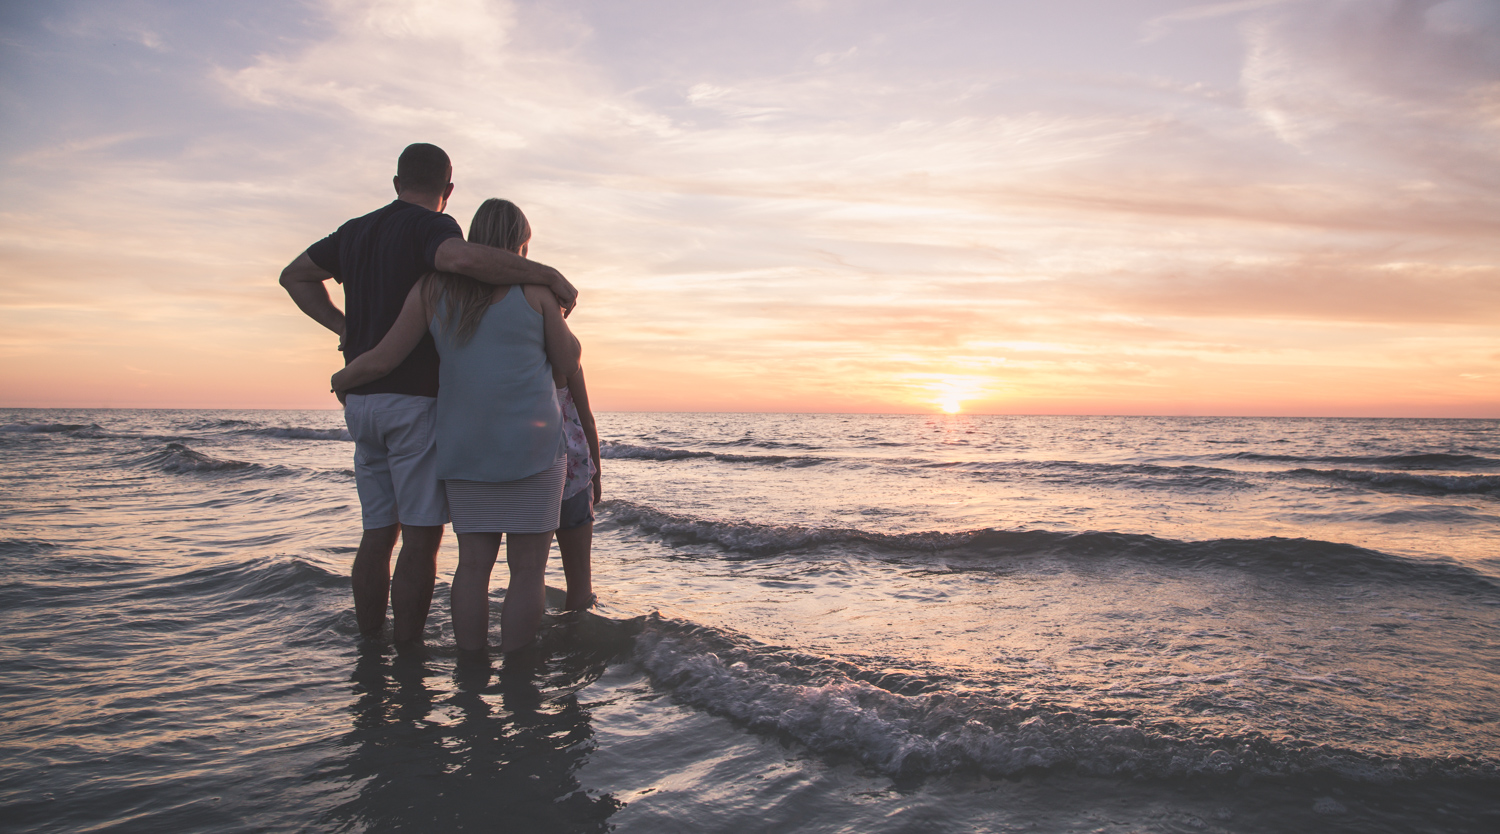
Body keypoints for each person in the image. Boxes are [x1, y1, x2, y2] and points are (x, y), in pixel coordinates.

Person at [279, 143, 578, 643]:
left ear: (396, 182)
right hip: (414, 402)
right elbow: (459, 260)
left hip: (363, 401)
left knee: (378, 533)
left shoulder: (354, 231)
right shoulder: (435, 230)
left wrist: (346, 332)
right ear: (448, 191)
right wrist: (545, 274)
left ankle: (372, 643)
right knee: (421, 539)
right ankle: (409, 655)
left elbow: (295, 276)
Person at [556, 365, 601, 612]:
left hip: (527, 472)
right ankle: (575, 640)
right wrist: (597, 476)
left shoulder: (514, 350)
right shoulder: (566, 354)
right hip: (572, 475)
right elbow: (587, 420)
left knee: (526, 572)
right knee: (579, 578)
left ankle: (529, 640)